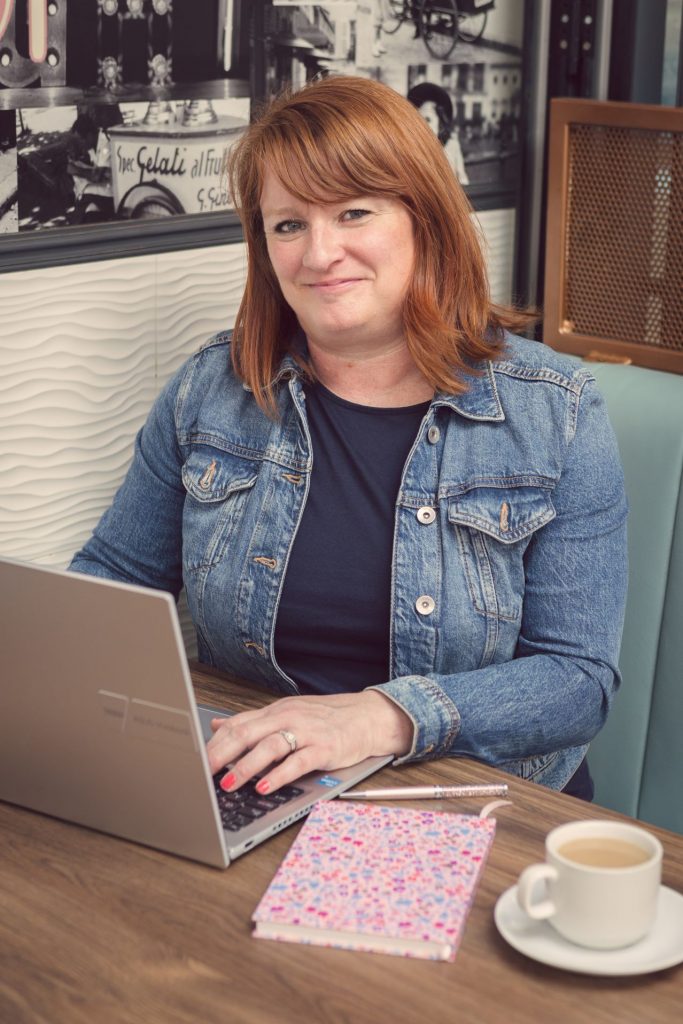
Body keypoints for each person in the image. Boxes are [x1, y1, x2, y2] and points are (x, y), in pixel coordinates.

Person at [70, 75, 628, 804]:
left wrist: (384, 717)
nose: (318, 253)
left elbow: (577, 680)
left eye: (353, 212)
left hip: (479, 799)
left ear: (423, 219)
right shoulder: (211, 389)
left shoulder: (557, 412)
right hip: (264, 788)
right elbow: (113, 578)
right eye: (288, 224)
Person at [407, 81, 469, 185]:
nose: (422, 125)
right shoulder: (411, 149)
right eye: (419, 120)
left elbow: (463, 180)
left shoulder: (452, 146)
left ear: (440, 124)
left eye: (428, 120)